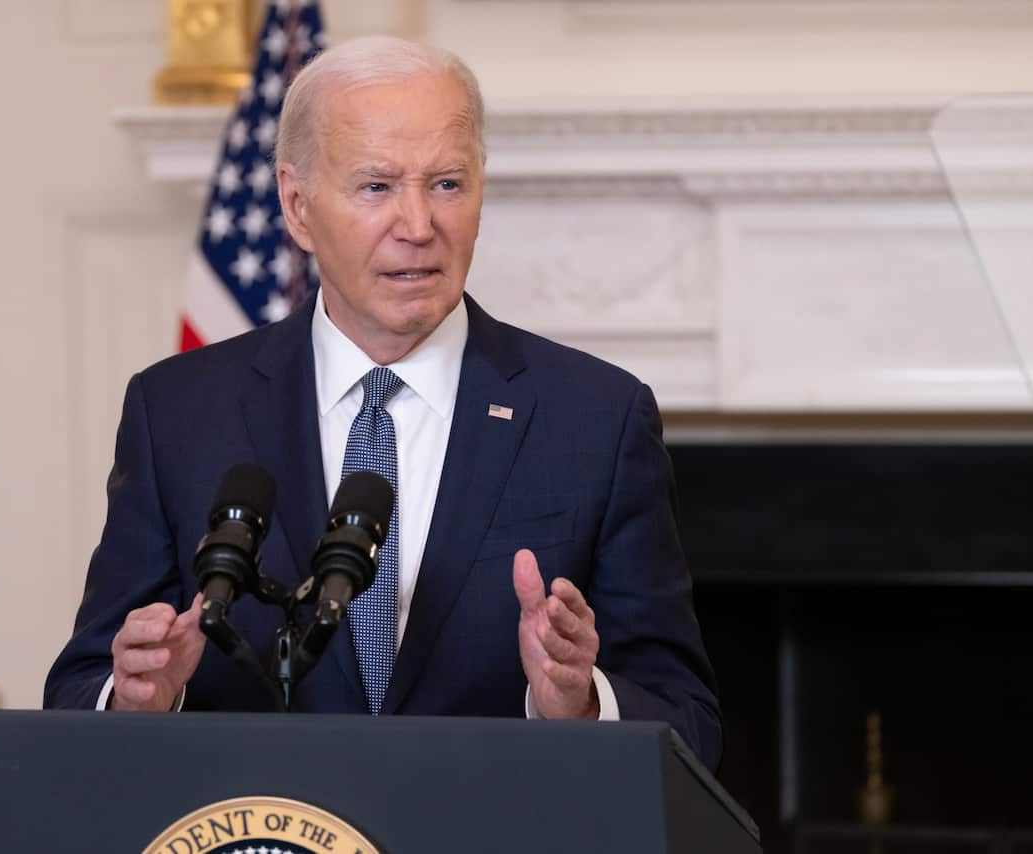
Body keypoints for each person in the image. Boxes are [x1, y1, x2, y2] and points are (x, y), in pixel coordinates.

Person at [44, 36, 721, 770]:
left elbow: (692, 728)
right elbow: (79, 692)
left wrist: (581, 702)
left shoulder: (596, 418)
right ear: (298, 207)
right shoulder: (178, 414)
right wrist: (143, 698)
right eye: (377, 187)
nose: (419, 225)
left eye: (447, 184)